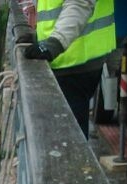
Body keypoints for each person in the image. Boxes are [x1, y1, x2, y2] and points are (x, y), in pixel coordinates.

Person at [22, 0, 116, 138]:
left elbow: (79, 4)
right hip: (73, 57)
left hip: (73, 60)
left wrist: (53, 44)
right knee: (68, 132)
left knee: (69, 135)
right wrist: (40, 39)